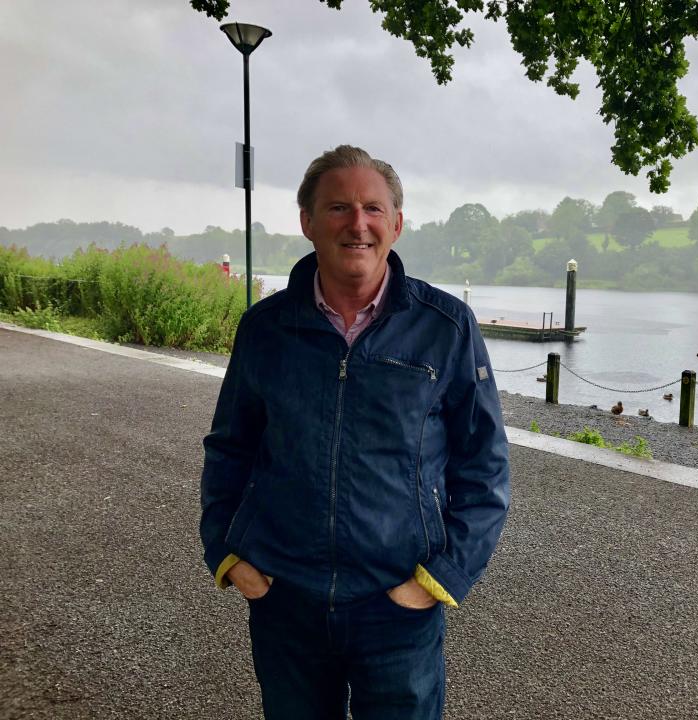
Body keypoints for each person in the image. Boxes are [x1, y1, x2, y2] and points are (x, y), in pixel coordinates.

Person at [200, 145, 510, 719]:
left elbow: (484, 465)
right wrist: (225, 550)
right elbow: (230, 447)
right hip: (285, 599)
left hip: (397, 607)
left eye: (373, 208)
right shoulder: (265, 330)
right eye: (338, 207)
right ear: (307, 222)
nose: (357, 223)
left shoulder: (445, 328)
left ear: (396, 224)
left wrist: (440, 577)